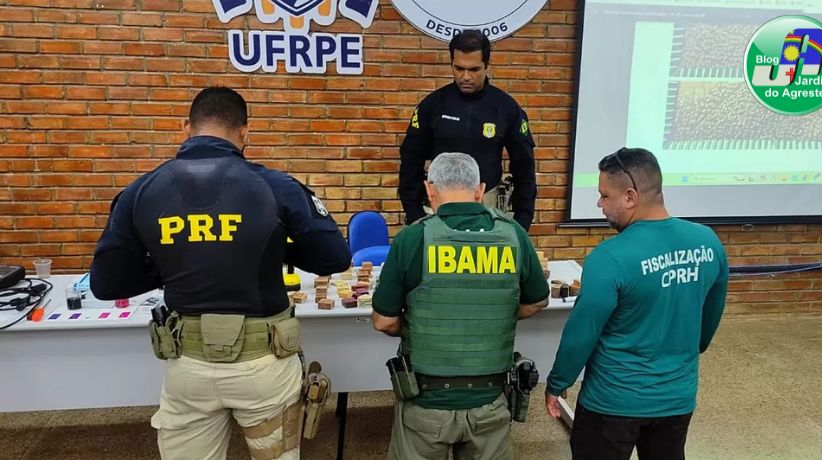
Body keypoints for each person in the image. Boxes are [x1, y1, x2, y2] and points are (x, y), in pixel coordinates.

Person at [89, 87, 352, 460]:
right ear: (245, 133)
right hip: (265, 364)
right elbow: (334, 257)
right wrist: (273, 249)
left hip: (187, 365)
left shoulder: (139, 191)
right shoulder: (277, 186)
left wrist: (170, 264)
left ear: (186, 127)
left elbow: (107, 283)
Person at [544, 148, 729, 460]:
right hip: (677, 399)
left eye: (604, 195)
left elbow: (582, 333)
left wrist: (558, 381)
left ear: (630, 196)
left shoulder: (609, 257)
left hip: (612, 403)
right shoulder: (708, 242)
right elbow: (708, 321)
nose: (599, 204)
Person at [373, 152, 549, 460]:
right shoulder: (513, 235)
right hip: (490, 402)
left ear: (430, 190)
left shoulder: (413, 238)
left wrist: (416, 324)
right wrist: (496, 315)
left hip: (425, 404)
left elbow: (383, 321)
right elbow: (537, 301)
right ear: (480, 190)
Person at [398, 30, 537, 231]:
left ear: (487, 66)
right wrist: (415, 217)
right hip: (437, 209)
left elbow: (524, 169)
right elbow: (410, 163)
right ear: (452, 64)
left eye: (474, 69)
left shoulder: (505, 108)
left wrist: (522, 223)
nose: (465, 77)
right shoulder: (433, 105)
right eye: (459, 68)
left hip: (487, 208)